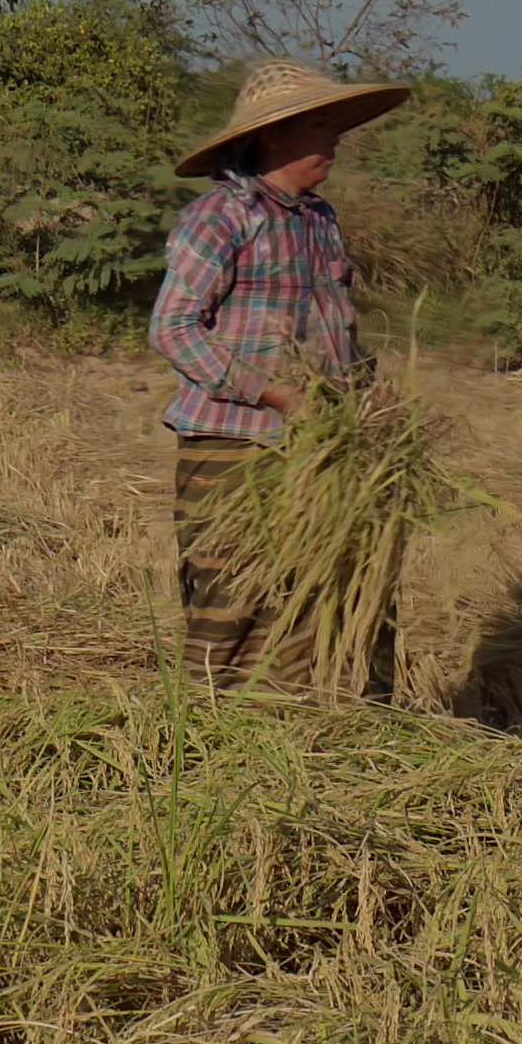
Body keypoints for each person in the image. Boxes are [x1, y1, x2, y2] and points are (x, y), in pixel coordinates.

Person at [147, 56, 408, 693]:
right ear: (272, 135)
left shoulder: (319, 220)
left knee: (326, 599)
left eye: (333, 124)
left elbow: (334, 325)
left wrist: (366, 391)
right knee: (231, 605)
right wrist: (272, 393)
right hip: (235, 445)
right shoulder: (221, 217)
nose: (333, 138)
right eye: (318, 124)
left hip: (319, 446)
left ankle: (319, 741)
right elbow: (174, 328)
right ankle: (205, 754)